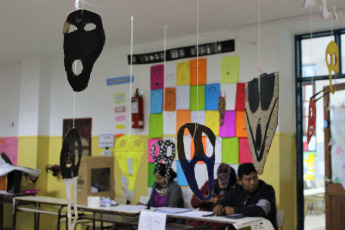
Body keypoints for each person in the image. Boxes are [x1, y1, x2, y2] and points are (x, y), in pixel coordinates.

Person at [213, 163, 278, 229]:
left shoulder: (266, 189)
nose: (252, 182)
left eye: (255, 178)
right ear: (239, 181)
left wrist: (234, 210)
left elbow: (261, 210)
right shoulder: (235, 189)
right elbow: (225, 202)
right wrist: (219, 206)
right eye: (248, 179)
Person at [189, 163, 237, 229]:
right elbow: (193, 202)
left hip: (217, 222)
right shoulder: (209, 184)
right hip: (201, 219)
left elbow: (229, 208)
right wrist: (204, 199)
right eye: (220, 177)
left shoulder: (233, 189)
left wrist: (218, 203)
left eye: (225, 179)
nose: (222, 181)